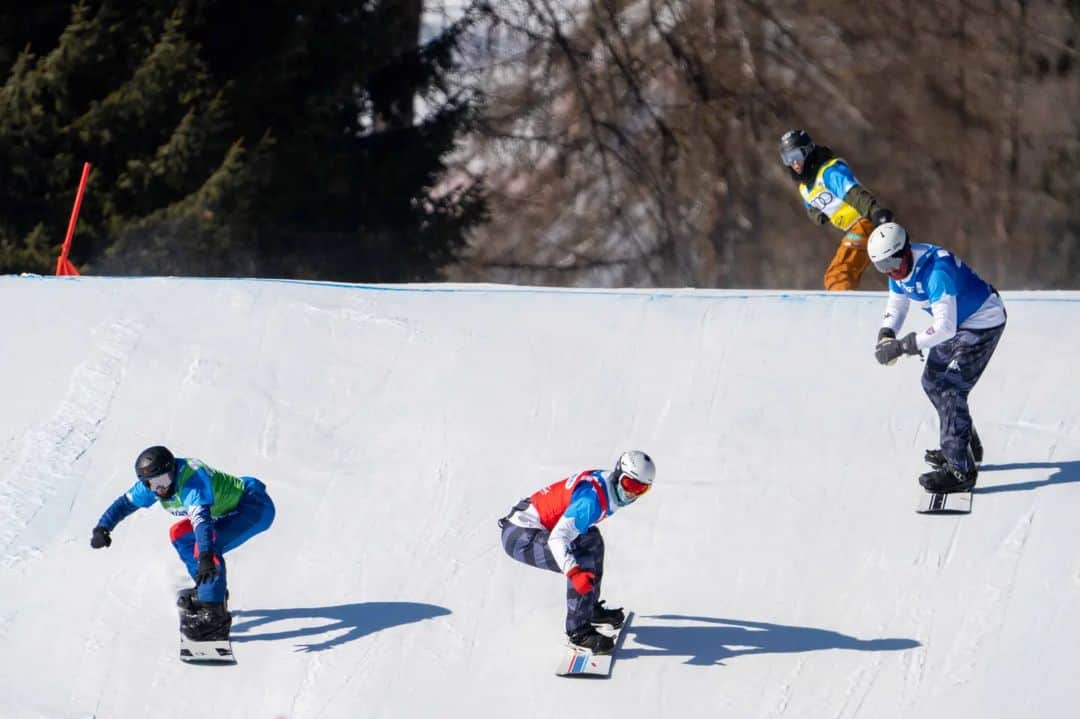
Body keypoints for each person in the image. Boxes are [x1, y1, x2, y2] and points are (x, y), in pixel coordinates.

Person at [868, 223, 1006, 492]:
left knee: (951, 388)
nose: (891, 270)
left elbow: (944, 328)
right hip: (957, 325)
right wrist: (886, 333)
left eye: (893, 262)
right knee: (932, 381)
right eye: (882, 266)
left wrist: (903, 346)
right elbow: (898, 301)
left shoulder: (936, 272)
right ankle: (962, 446)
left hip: (981, 324)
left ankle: (960, 472)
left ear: (906, 250)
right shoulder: (897, 268)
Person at [89, 446, 276, 640]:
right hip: (229, 510)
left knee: (205, 545)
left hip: (253, 507)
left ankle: (215, 619)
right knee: (179, 535)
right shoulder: (153, 486)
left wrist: (205, 556)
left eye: (163, 481)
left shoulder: (192, 482)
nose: (159, 488)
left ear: (173, 471)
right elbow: (125, 503)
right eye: (151, 484)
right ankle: (209, 591)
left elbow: (202, 523)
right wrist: (103, 527)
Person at [498, 450, 654, 654]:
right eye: (630, 484)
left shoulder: (610, 485)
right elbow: (558, 539)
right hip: (519, 537)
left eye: (641, 489)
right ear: (618, 475)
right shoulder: (591, 502)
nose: (632, 493)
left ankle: (588, 609)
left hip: (532, 526)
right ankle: (578, 633)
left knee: (593, 541)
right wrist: (574, 573)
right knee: (582, 560)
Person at [780, 129, 895, 290]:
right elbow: (813, 209)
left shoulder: (829, 172)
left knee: (837, 273)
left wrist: (875, 211)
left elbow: (854, 194)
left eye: (797, 156)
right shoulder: (804, 188)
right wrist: (818, 216)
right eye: (788, 159)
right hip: (853, 229)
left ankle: (843, 306)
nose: (795, 164)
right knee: (884, 265)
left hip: (864, 222)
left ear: (808, 151)